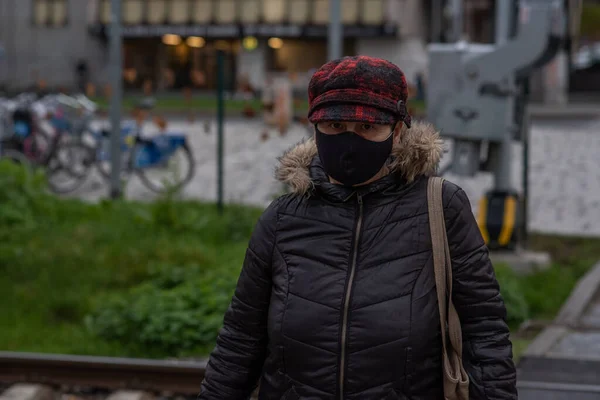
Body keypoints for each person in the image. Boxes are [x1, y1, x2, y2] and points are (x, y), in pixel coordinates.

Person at [198, 56, 517, 400]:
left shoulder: (440, 209)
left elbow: (485, 335)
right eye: (335, 127)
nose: (349, 141)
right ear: (315, 129)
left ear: (396, 132)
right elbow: (239, 343)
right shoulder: (281, 220)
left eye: (366, 128)